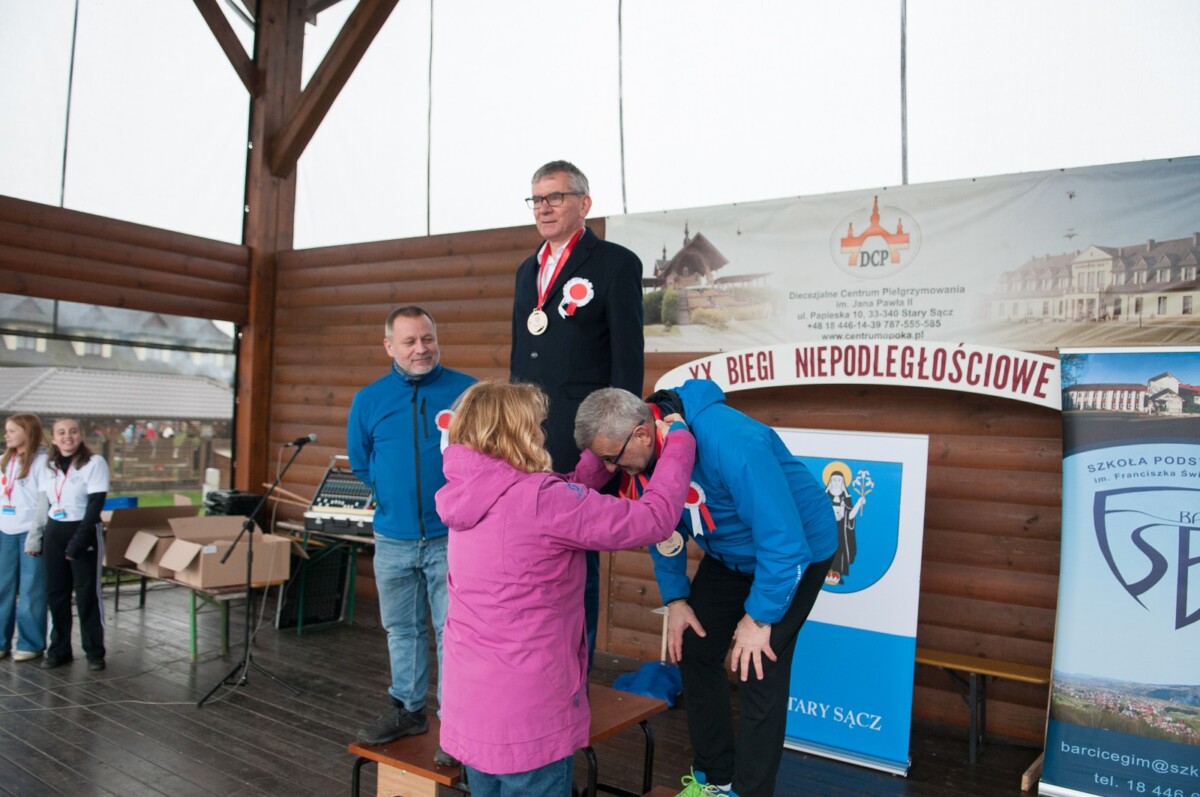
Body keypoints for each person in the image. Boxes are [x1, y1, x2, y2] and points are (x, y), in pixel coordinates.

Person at [575, 381, 838, 797]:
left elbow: (784, 540)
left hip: (796, 552)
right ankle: (715, 778)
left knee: (758, 666)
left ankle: (749, 792)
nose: (610, 469)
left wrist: (759, 618)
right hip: (731, 554)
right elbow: (663, 526)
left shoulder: (731, 441)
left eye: (612, 458)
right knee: (695, 647)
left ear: (642, 434)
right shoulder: (646, 452)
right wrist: (677, 598)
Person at [435, 381, 695, 797]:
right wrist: (679, 441)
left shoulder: (465, 492)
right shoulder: (543, 501)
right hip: (529, 715)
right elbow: (654, 519)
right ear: (515, 432)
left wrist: (600, 462)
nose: (542, 434)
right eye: (536, 425)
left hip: (471, 706)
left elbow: (556, 498)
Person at [509, 159, 645, 667]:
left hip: (582, 441)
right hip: (529, 440)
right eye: (537, 199)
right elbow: (520, 358)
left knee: (575, 557)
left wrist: (614, 441)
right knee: (534, 554)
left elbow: (627, 362)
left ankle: (574, 673)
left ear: (584, 204)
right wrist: (513, 430)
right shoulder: (527, 270)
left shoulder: (615, 263)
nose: (544, 208)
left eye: (555, 197)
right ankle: (538, 664)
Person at [347, 306, 476, 760]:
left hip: (453, 537)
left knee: (453, 632)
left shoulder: (469, 392)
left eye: (428, 338)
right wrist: (393, 494)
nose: (421, 348)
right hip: (393, 539)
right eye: (409, 341)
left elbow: (490, 454)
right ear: (389, 346)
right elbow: (362, 464)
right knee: (402, 630)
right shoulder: (368, 400)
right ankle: (408, 709)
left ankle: (457, 725)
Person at [40, 417, 110, 671]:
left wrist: (79, 541)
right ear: (53, 438)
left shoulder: (94, 463)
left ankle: (94, 652)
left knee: (86, 593)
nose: (67, 436)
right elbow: (46, 503)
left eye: (72, 431)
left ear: (80, 435)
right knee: (56, 593)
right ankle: (59, 649)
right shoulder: (48, 465)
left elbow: (95, 504)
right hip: (55, 530)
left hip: (84, 529)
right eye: (61, 432)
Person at [1, 414, 49, 663]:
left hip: (30, 533)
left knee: (32, 590)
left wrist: (35, 535)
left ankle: (31, 644)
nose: (6, 435)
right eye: (6, 430)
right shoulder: (3, 460)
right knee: (2, 588)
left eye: (12, 430)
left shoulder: (42, 462)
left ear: (27, 432)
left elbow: (43, 503)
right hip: (4, 533)